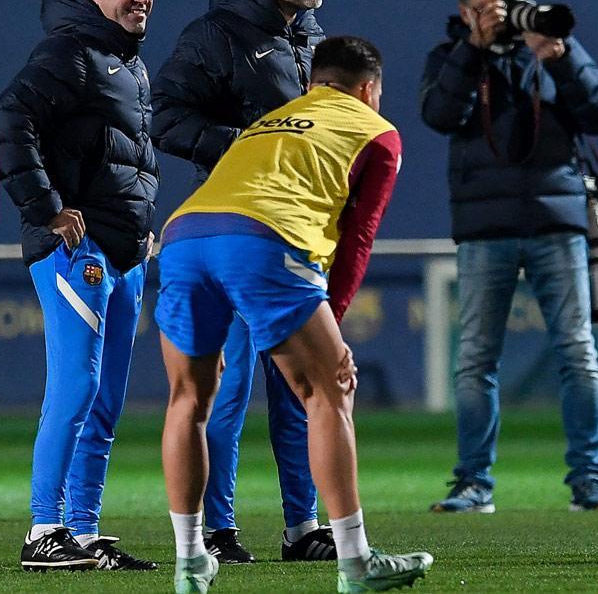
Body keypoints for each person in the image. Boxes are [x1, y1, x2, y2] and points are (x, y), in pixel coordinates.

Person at [156, 36, 431, 594]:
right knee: (330, 391)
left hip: (184, 236)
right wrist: (335, 323)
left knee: (189, 399)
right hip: (262, 239)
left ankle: (190, 562)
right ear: (369, 89)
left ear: (312, 84)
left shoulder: (273, 119)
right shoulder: (376, 131)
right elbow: (358, 237)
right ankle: (355, 563)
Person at [151, 0, 332, 563]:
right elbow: (164, 118)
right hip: (231, 231)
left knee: (299, 387)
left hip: (293, 229)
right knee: (224, 390)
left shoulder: (305, 38)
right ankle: (217, 531)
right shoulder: (216, 35)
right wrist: (245, 148)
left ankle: (303, 527)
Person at [420, 0, 598, 513]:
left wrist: (561, 55)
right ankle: (473, 483)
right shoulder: (449, 58)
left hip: (557, 223)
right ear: (466, 13)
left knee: (578, 354)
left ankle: (589, 481)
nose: (503, 16)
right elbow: (438, 114)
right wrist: (473, 50)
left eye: (508, 3)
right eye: (488, 7)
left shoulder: (551, 51)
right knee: (477, 359)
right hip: (486, 229)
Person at [0, 0, 159, 572]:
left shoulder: (127, 62)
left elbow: (124, 159)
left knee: (107, 396)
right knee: (75, 387)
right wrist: (45, 209)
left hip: (123, 253)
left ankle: (83, 531)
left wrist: (140, 225)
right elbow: (10, 121)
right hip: (75, 251)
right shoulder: (69, 52)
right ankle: (44, 530)